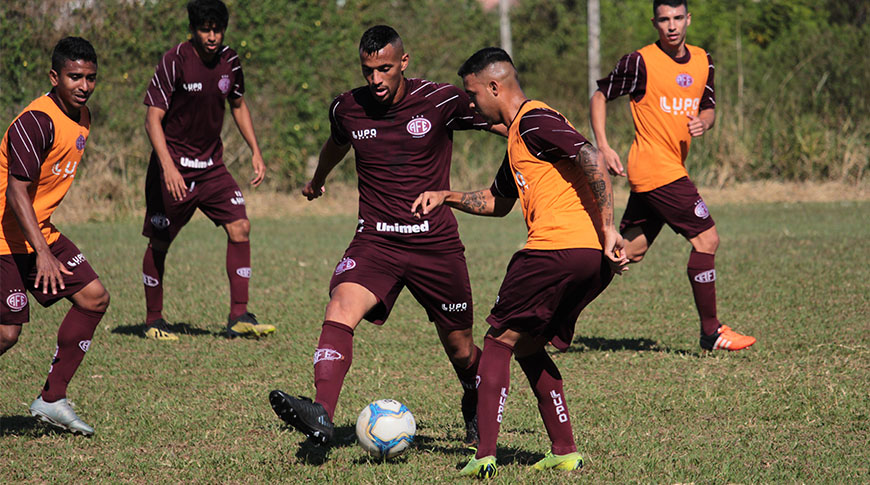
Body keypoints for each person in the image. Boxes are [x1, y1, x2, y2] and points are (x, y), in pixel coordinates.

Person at [269, 25, 506, 447]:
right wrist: (317, 179)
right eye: (368, 71)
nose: (375, 79)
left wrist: (546, 154)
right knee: (341, 304)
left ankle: (475, 394)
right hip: (376, 240)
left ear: (404, 63)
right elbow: (337, 143)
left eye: (384, 69)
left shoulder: (441, 100)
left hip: (435, 245)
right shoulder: (347, 107)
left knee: (461, 348)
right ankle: (322, 414)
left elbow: (505, 121)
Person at [412, 47, 627, 478]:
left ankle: (484, 454)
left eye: (474, 95)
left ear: (495, 86)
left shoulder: (535, 119)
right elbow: (497, 202)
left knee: (496, 342)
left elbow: (592, 157)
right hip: (588, 259)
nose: (472, 105)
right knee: (527, 344)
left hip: (556, 250)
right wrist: (446, 195)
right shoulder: (519, 140)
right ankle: (564, 449)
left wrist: (609, 229)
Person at [589, 0, 755, 351]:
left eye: (678, 18)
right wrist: (603, 146)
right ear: (655, 23)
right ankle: (712, 332)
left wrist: (704, 123)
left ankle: (552, 310)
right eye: (664, 20)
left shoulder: (702, 60)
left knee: (627, 251)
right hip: (655, 169)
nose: (672, 26)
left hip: (668, 170)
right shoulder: (640, 61)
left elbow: (708, 106)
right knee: (707, 240)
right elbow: (600, 96)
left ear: (688, 19)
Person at [140, 0, 273, 340]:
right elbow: (152, 117)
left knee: (240, 226)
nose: (212, 36)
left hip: (212, 168)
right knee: (160, 241)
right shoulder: (175, 60)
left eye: (217, 29)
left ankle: (239, 315)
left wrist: (255, 150)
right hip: (174, 169)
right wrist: (167, 167)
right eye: (205, 29)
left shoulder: (230, 62)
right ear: (194, 29)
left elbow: (238, 105)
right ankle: (154, 320)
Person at [0, 37, 109, 436]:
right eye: (74, 77)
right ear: (54, 76)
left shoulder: (83, 118)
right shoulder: (35, 122)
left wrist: (44, 245)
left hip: (36, 229)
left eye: (90, 78)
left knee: (94, 297)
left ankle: (51, 400)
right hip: (3, 236)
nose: (83, 85)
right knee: (6, 333)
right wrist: (43, 254)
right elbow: (15, 194)